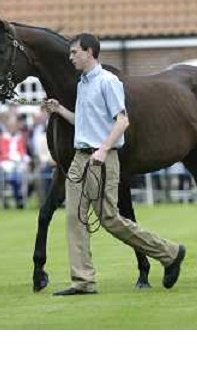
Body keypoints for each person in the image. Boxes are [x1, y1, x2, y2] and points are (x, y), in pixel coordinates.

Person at [44, 32, 185, 295]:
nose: (71, 57)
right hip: (80, 158)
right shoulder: (83, 83)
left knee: (110, 219)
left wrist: (103, 149)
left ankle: (170, 252)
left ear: (89, 52)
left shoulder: (109, 82)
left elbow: (122, 121)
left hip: (102, 159)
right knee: (75, 218)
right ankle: (83, 282)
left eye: (75, 52)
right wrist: (59, 110)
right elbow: (84, 123)